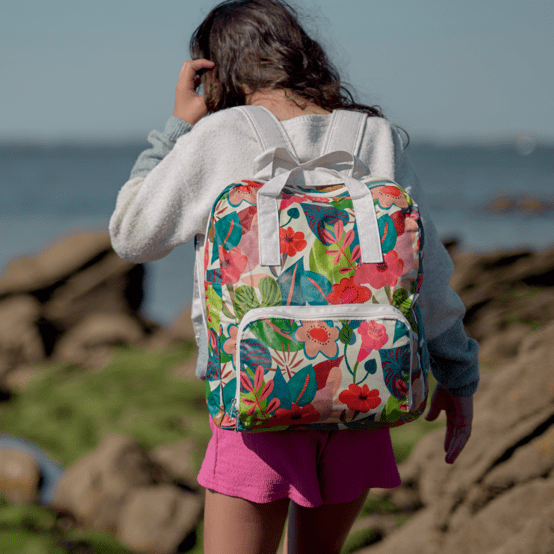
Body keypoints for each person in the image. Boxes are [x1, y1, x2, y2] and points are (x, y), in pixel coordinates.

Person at [109, 1, 479, 552]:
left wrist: (178, 127)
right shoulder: (374, 137)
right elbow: (426, 272)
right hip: (363, 387)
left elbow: (131, 234)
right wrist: (457, 373)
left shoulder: (218, 136)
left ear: (215, 72)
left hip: (256, 396)